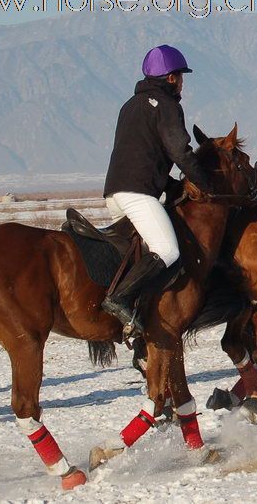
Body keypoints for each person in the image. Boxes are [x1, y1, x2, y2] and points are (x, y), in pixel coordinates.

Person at [101, 44, 211, 336]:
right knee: (167, 250)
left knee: (144, 255)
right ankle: (120, 299)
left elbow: (143, 153)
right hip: (138, 193)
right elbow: (180, 151)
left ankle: (141, 315)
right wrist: (204, 183)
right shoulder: (166, 105)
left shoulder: (130, 104)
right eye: (181, 77)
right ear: (171, 78)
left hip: (115, 192)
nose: (183, 83)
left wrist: (173, 185)